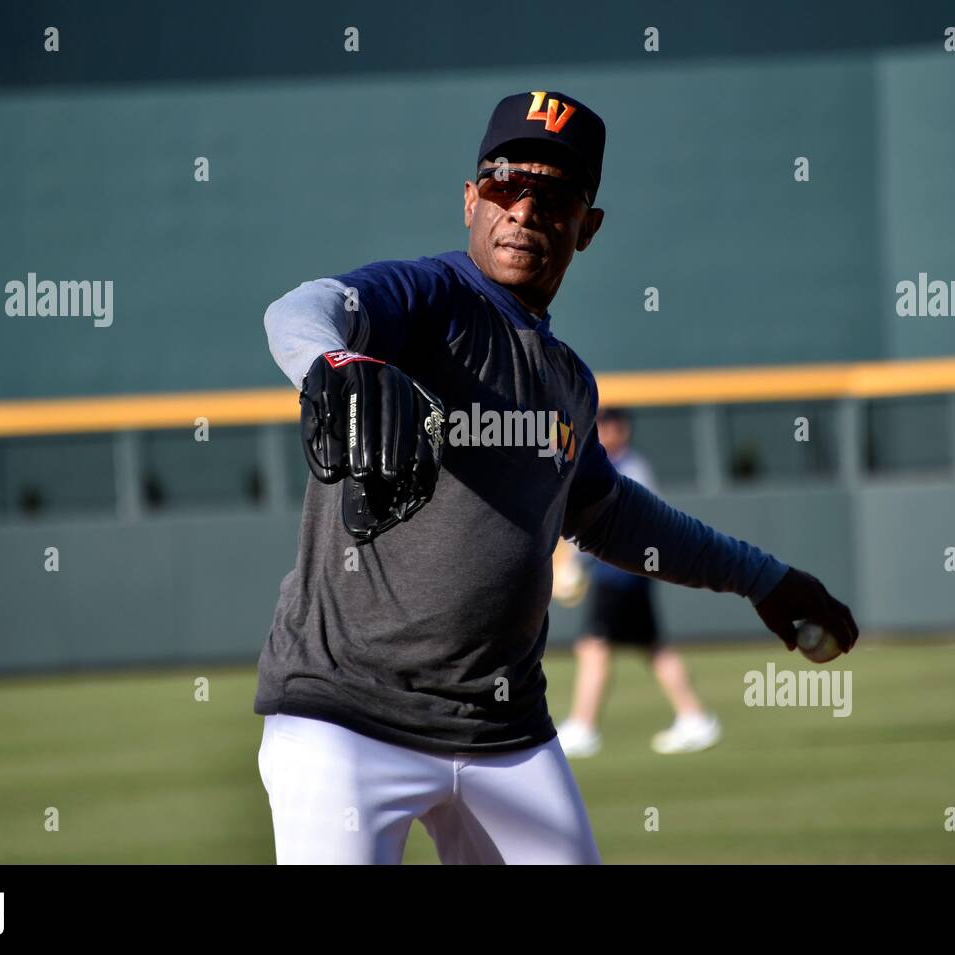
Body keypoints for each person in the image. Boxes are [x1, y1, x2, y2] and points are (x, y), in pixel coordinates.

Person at [255, 90, 859, 864]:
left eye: (555, 195)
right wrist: (333, 363)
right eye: (506, 183)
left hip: (503, 731)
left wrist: (764, 578)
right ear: (472, 199)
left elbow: (615, 519)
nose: (525, 208)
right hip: (346, 718)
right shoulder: (425, 302)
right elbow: (298, 310)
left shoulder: (568, 384)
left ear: (588, 225)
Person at [555, 408, 722, 758]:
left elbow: (615, 522)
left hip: (622, 573)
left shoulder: (631, 468)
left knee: (594, 647)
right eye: (602, 425)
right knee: (653, 648)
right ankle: (695, 717)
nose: (607, 432)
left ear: (624, 430)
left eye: (613, 426)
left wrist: (575, 564)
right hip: (621, 572)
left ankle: (584, 726)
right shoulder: (600, 465)